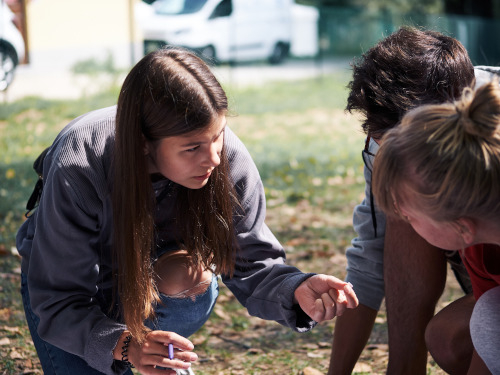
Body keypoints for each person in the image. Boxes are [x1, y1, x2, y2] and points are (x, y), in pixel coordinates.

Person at [17, 47, 358, 375]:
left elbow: (250, 260)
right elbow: (59, 298)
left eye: (218, 136)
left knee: (188, 275)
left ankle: (162, 354)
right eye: (192, 147)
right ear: (143, 142)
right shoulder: (80, 162)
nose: (212, 158)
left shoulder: (226, 157)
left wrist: (296, 288)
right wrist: (125, 345)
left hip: (159, 283)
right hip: (77, 296)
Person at [328, 26, 479, 375]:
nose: (387, 156)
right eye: (380, 141)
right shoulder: (388, 146)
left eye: (401, 145)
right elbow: (371, 255)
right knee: (405, 206)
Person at [371, 79, 500, 374]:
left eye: (408, 214)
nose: (401, 216)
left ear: (462, 228)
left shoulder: (474, 234)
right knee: (489, 314)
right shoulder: (479, 250)